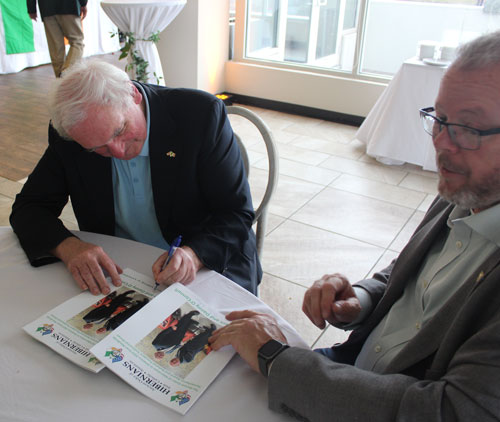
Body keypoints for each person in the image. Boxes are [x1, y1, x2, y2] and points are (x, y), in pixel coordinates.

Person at [209, 30, 500, 421]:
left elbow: (445, 410)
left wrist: (275, 358)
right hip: (348, 370)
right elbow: (411, 277)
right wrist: (360, 299)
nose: (441, 143)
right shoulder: (465, 189)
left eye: (468, 128)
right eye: (440, 119)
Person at [10, 60, 261, 296]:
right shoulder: (71, 136)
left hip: (208, 258)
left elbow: (236, 213)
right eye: (98, 148)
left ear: (134, 95)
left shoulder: (199, 115)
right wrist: (68, 246)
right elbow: (29, 208)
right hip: (122, 266)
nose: (118, 152)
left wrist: (195, 255)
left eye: (120, 130)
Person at [27, 0, 87, 77]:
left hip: (47, 8)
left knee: (55, 47)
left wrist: (31, 8)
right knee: (77, 42)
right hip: (70, 6)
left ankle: (60, 79)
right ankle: (67, 71)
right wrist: (83, 4)